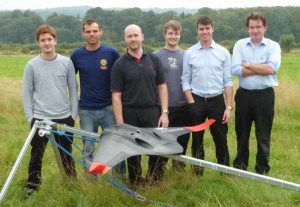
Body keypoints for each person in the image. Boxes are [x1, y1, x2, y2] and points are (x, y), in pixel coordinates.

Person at [23, 24, 78, 195]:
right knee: (36, 154)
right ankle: (33, 185)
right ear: (38, 43)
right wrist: (29, 117)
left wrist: (73, 115)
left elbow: (74, 91)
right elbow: (27, 93)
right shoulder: (31, 65)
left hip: (63, 117)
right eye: (43, 40)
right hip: (40, 118)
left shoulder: (66, 63)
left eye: (49, 40)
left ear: (55, 41)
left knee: (66, 153)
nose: (46, 43)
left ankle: (71, 183)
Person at [111, 24, 169, 185]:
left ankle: (155, 179)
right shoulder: (120, 64)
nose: (133, 39)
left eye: (136, 35)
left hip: (152, 110)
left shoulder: (154, 59)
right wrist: (120, 123)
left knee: (156, 147)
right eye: (129, 36)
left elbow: (162, 86)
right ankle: (135, 181)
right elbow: (116, 96)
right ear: (125, 39)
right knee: (132, 150)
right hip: (130, 111)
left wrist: (164, 112)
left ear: (142, 36)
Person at [70, 19, 125, 178]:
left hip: (109, 108)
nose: (92, 34)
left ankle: (120, 178)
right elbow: (70, 81)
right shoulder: (76, 55)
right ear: (83, 33)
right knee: (88, 147)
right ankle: (91, 179)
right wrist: (75, 105)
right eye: (88, 31)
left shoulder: (112, 52)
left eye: (95, 31)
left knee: (116, 144)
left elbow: (121, 77)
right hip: (87, 110)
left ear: (101, 31)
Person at [181, 16, 233, 176]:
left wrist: (229, 107)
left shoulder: (223, 52)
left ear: (212, 29)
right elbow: (185, 79)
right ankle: (198, 171)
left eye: (207, 28)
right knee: (197, 139)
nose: (204, 32)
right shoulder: (189, 53)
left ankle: (224, 172)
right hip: (196, 100)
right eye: (201, 29)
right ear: (197, 31)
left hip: (217, 101)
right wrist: (191, 102)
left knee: (220, 138)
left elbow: (228, 81)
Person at [231, 12, 281, 175]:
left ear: (265, 27)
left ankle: (262, 169)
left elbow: (271, 69)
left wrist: (248, 65)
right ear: (247, 29)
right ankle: (240, 166)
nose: (255, 30)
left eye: (258, 27)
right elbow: (236, 70)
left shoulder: (273, 46)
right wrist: (260, 68)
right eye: (252, 27)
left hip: (264, 96)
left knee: (263, 134)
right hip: (244, 95)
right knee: (242, 133)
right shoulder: (239, 45)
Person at [153, 20, 190, 172]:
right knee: (162, 141)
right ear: (165, 34)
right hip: (162, 108)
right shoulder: (156, 56)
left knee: (182, 141)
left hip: (183, 106)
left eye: (176, 33)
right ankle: (157, 172)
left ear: (180, 35)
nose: (173, 36)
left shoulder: (187, 55)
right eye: (170, 33)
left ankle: (179, 171)